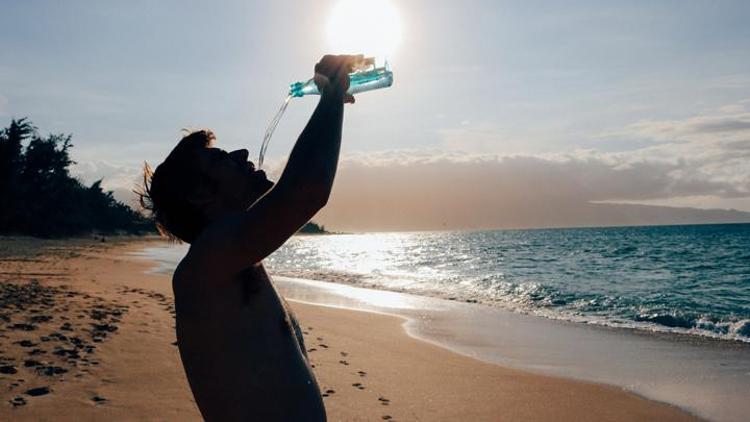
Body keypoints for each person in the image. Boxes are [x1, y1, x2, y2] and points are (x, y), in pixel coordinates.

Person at [138, 54, 360, 421]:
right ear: (200, 195)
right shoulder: (205, 266)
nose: (241, 153)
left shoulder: (235, 263)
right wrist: (332, 94)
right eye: (221, 158)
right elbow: (307, 190)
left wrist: (331, 101)